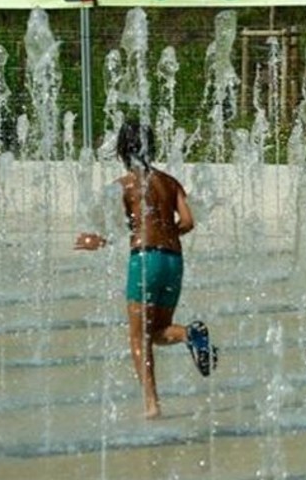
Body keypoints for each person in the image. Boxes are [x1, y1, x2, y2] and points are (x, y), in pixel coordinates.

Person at [75, 120, 216, 419]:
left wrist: (95, 241)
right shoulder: (170, 182)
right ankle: (190, 334)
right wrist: (164, 234)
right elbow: (188, 222)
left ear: (123, 150)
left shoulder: (123, 186)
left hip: (145, 261)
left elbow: (114, 228)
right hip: (173, 261)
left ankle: (152, 405)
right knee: (157, 331)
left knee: (138, 337)